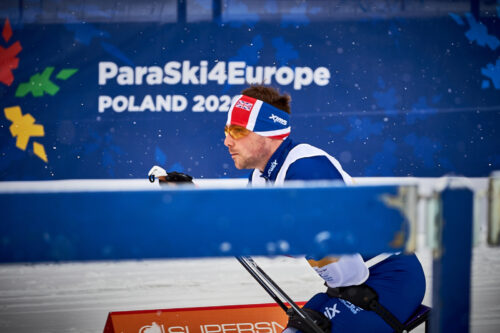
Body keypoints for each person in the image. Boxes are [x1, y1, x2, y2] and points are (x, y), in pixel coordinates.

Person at [224, 85, 426, 333]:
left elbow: (343, 268)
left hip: (390, 278)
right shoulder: (262, 177)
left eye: (237, 131)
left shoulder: (307, 168)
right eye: (227, 131)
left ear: (267, 132)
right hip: (353, 281)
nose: (227, 141)